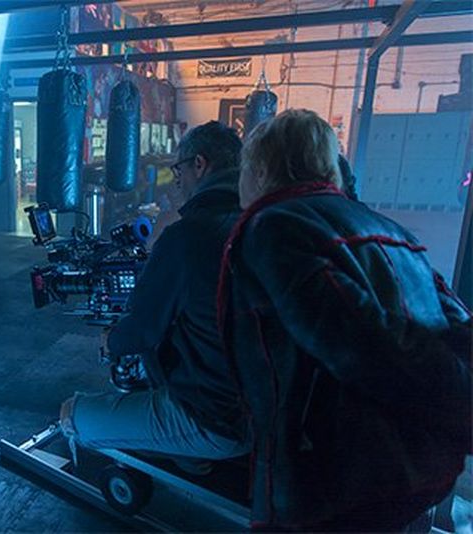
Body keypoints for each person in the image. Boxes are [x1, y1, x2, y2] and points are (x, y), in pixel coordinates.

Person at [219, 109, 471, 531]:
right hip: (419, 465)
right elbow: (457, 325)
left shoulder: (276, 227)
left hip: (340, 476)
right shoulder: (392, 230)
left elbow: (366, 347)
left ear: (261, 169)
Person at [59, 122, 251, 461]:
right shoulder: (257, 222)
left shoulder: (187, 236)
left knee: (72, 413)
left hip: (213, 418)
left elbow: (141, 331)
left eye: (179, 168)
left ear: (199, 165)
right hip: (258, 407)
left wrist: (111, 339)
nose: (176, 178)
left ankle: (183, 455)